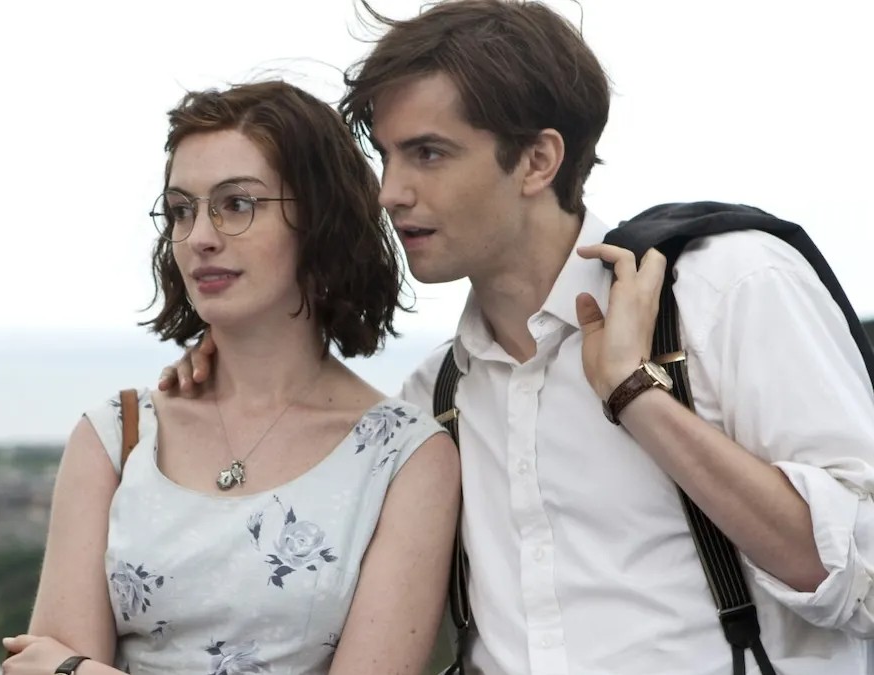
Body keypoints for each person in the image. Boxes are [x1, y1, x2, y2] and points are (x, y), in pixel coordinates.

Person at [161, 2, 874, 673]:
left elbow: (862, 574)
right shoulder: (436, 398)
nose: (391, 191)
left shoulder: (725, 289)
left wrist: (637, 396)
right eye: (387, 155)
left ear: (537, 160)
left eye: (429, 154)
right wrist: (233, 372)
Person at [1, 80, 460, 675]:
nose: (199, 238)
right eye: (181, 210)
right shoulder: (117, 436)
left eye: (236, 204)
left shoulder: (406, 457)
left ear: (320, 220)